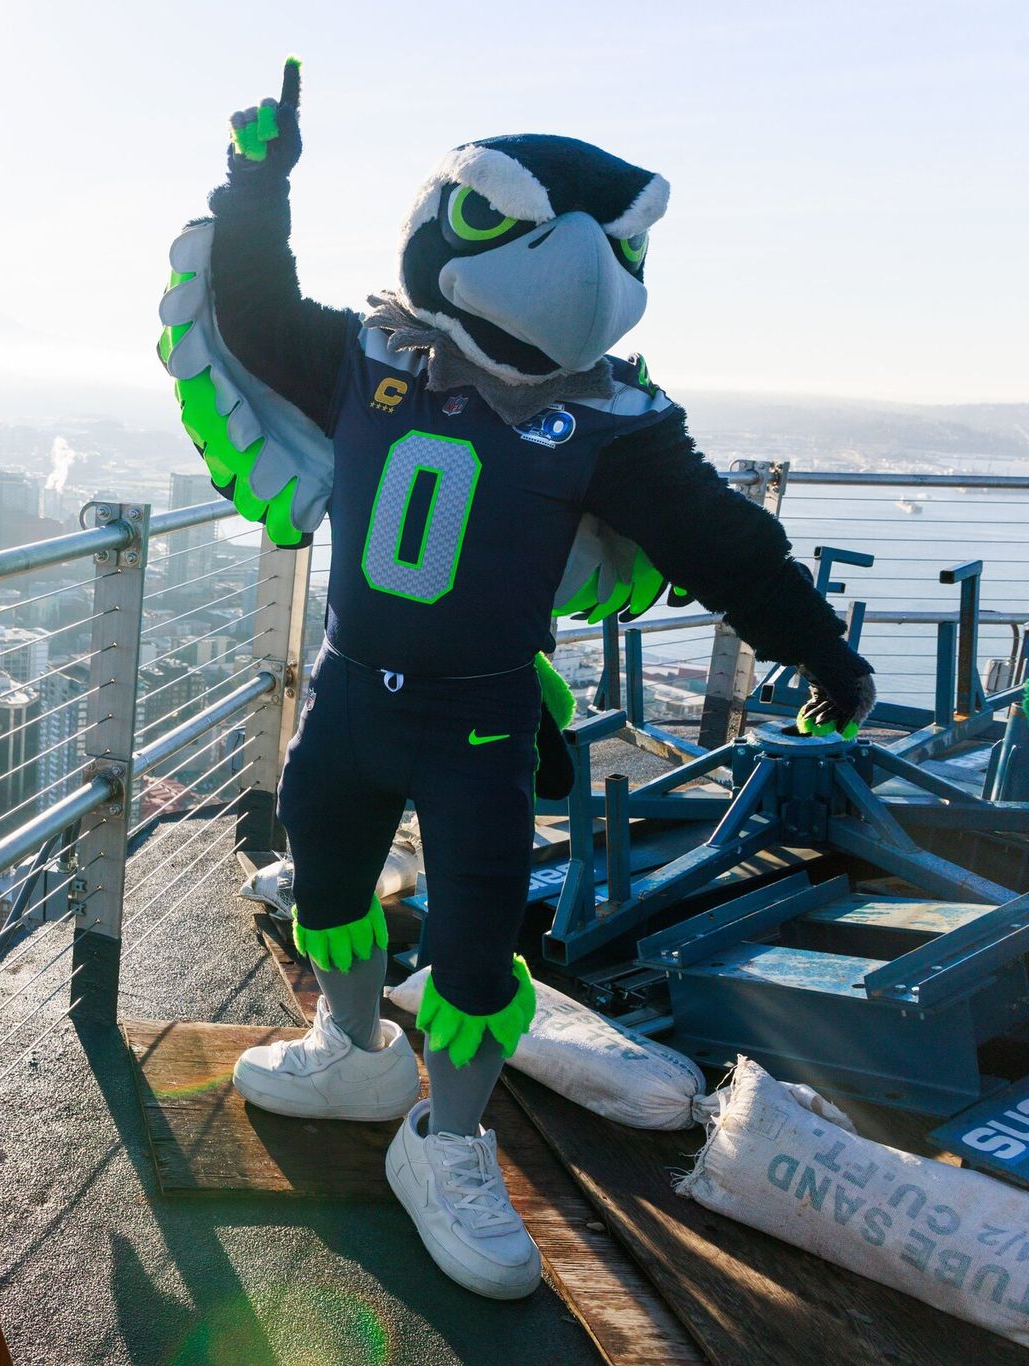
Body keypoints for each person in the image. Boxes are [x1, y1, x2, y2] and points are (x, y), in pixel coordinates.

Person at [164, 58, 876, 1299]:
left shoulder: (608, 425)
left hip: (481, 717)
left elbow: (723, 542)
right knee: (326, 877)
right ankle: (352, 1046)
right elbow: (251, 300)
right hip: (347, 693)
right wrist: (255, 181)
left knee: (481, 946)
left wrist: (815, 647)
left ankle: (445, 1140)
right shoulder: (361, 358)